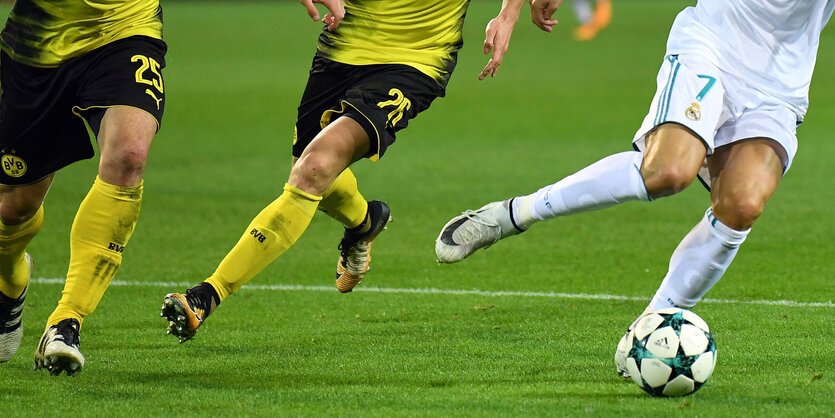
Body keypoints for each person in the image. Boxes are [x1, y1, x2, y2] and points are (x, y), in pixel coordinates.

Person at [435, 0, 833, 376]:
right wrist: (509, 12)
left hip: (780, 86)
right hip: (713, 47)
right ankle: (514, 214)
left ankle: (648, 332)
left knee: (742, 205)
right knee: (668, 171)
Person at [160, 0, 559, 343]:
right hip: (342, 49)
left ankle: (207, 295)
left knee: (313, 169)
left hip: (417, 59)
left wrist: (508, 14)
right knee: (310, 170)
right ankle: (364, 220)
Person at [0, 0, 166, 375]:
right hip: (38, 44)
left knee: (130, 155)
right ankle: (10, 280)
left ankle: (66, 321)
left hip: (126, 28)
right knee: (14, 207)